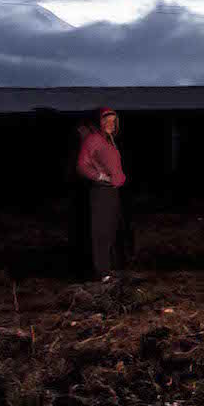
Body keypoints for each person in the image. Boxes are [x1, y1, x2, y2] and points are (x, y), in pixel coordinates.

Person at [73, 107, 128, 281]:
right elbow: (82, 165)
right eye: (107, 121)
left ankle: (110, 270)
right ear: (100, 122)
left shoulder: (109, 140)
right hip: (101, 192)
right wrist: (99, 176)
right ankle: (102, 273)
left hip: (113, 192)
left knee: (113, 230)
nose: (111, 124)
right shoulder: (93, 139)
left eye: (113, 121)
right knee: (101, 232)